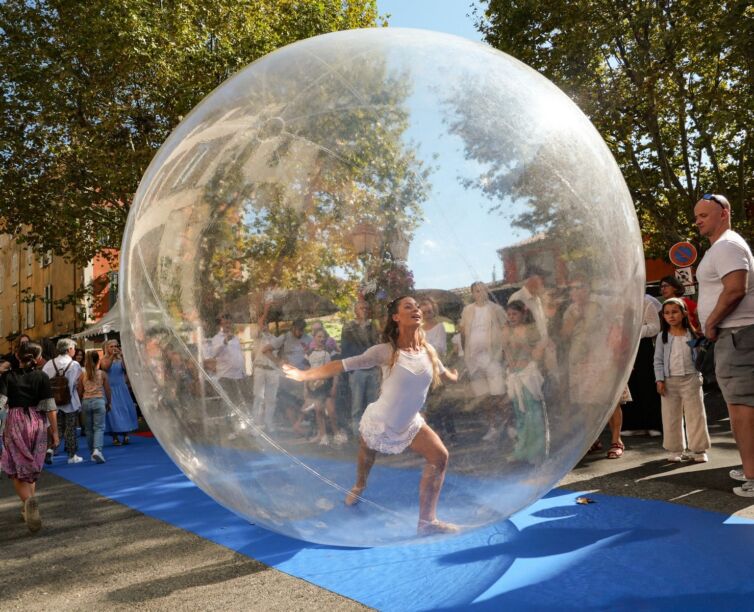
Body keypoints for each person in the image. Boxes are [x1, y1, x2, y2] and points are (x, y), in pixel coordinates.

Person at [283, 296, 460, 535]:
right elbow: (343, 364)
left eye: (417, 306)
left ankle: (426, 523)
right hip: (381, 419)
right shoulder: (386, 351)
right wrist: (306, 375)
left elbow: (443, 372)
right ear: (396, 317)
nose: (416, 309)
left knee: (440, 457)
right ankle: (359, 485)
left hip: (410, 423)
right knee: (367, 456)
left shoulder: (428, 351)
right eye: (408, 306)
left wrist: (454, 376)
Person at [694, 193, 754, 497]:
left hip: (736, 334)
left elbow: (734, 290)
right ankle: (749, 466)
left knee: (743, 408)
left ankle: (753, 477)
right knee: (740, 406)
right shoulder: (722, 246)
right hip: (735, 336)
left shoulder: (728, 245)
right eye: (697, 216)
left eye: (704, 215)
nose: (698, 221)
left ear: (724, 213)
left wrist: (711, 322)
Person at [0, 342, 58, 532]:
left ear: (17, 356)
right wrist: (55, 433)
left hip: (15, 421)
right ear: (38, 356)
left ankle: (28, 501)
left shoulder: (8, 376)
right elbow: (50, 407)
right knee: (31, 465)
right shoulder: (41, 376)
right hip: (37, 422)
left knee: (17, 467)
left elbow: (0, 403)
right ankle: (27, 506)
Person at [653, 298, 711, 463]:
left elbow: (702, 355)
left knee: (696, 415)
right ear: (663, 316)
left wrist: (700, 337)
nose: (671, 316)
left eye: (675, 312)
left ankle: (699, 449)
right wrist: (659, 380)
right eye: (667, 313)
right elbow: (658, 360)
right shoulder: (662, 337)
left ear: (684, 313)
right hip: (669, 381)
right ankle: (675, 449)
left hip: (691, 378)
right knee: (671, 416)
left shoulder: (692, 334)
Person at [459, 281, 508, 440]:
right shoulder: (467, 310)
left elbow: (506, 329)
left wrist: (504, 352)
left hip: (492, 357)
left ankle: (507, 424)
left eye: (483, 290)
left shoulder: (496, 309)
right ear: (472, 293)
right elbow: (463, 332)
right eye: (477, 291)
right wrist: (465, 354)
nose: (480, 293)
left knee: (498, 393)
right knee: (483, 395)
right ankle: (492, 427)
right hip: (474, 359)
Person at [501, 301, 547, 463]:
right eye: (509, 314)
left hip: (528, 375)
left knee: (533, 414)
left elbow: (537, 353)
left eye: (514, 314)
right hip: (514, 376)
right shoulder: (507, 330)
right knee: (520, 414)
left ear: (523, 314)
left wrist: (523, 343)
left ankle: (536, 450)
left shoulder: (530, 330)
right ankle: (522, 449)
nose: (511, 317)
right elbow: (505, 351)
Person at [621, 294, 663, 437]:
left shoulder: (646, 302)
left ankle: (653, 423)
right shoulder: (618, 303)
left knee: (647, 383)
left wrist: (636, 331)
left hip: (643, 347)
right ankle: (633, 424)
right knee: (630, 384)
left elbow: (655, 327)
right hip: (624, 347)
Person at [340, 300, 381, 436]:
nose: (364, 309)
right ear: (355, 311)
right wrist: (350, 371)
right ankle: (357, 435)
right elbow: (345, 349)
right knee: (356, 405)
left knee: (373, 405)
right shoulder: (349, 327)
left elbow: (377, 346)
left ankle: (372, 434)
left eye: (366, 307)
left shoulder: (373, 327)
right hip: (357, 370)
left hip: (373, 369)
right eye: (361, 307)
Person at [41, 338, 83, 464]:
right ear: (69, 349)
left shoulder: (49, 364)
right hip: (70, 401)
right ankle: (71, 455)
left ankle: (50, 450)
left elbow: (44, 382)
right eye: (73, 348)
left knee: (56, 428)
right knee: (70, 428)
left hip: (53, 402)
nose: (74, 351)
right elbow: (78, 384)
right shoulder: (74, 365)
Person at [304, 328, 347, 446]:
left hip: (327, 384)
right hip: (314, 385)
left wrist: (334, 385)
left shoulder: (330, 352)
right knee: (319, 410)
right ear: (314, 338)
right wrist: (305, 387)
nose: (321, 339)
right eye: (319, 337)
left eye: (323, 337)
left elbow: (336, 370)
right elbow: (306, 371)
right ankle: (323, 435)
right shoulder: (309, 353)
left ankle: (336, 432)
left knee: (331, 411)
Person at [76, 350, 112, 464]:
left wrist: (80, 402)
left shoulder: (83, 374)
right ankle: (97, 449)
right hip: (99, 401)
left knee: (88, 429)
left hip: (86, 402)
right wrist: (109, 402)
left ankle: (92, 452)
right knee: (99, 427)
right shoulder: (102, 374)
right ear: (98, 361)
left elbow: (79, 391)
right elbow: (107, 390)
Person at [101, 339, 138, 445]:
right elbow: (105, 368)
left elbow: (127, 369)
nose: (114, 348)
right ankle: (115, 437)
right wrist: (112, 356)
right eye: (111, 346)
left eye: (115, 346)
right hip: (110, 390)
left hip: (122, 388)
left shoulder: (120, 359)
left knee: (124, 410)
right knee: (112, 413)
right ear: (106, 348)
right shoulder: (103, 359)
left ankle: (126, 434)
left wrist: (123, 356)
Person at [206, 313, 247, 405]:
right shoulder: (216, 338)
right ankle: (228, 419)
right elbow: (213, 353)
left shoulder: (235, 338)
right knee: (229, 404)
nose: (228, 325)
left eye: (229, 323)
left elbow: (238, 354)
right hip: (226, 376)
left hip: (238, 376)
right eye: (225, 323)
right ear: (220, 325)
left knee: (239, 403)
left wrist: (243, 371)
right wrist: (224, 342)